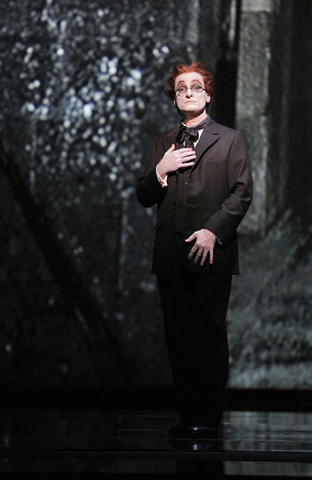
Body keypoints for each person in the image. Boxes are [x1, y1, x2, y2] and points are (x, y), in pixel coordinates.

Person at [136, 61, 253, 439]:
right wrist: (161, 169)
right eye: (181, 88)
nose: (188, 92)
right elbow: (143, 194)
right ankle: (188, 418)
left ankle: (208, 419)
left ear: (208, 94)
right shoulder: (162, 142)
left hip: (211, 254)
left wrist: (213, 232)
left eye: (196, 87)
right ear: (174, 97)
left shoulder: (230, 139)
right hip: (170, 254)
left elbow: (242, 192)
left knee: (208, 335)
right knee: (178, 338)